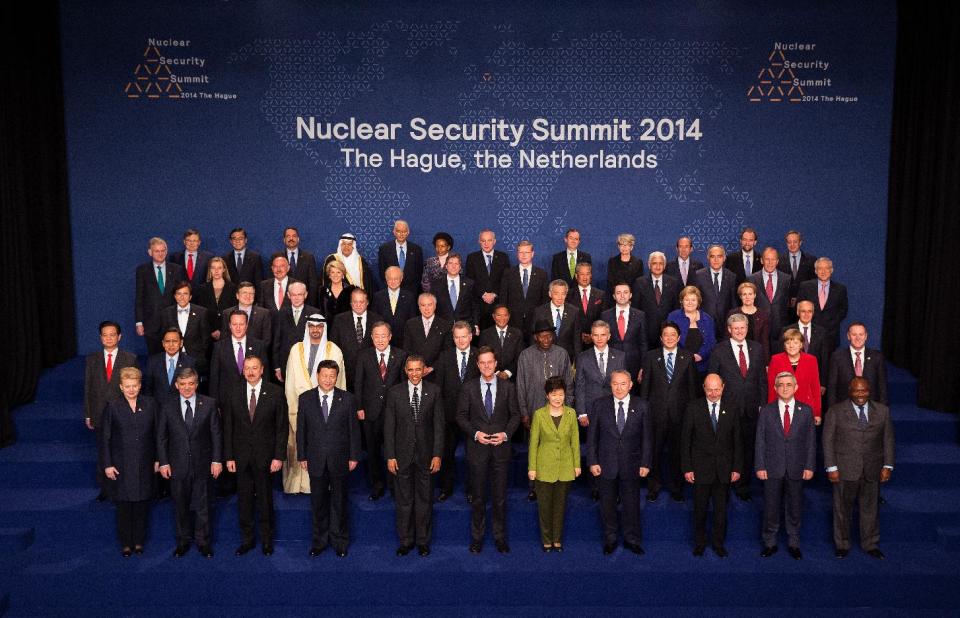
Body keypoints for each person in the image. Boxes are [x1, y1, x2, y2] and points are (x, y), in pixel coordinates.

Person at [456, 346, 521, 553]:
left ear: (495, 364)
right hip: (477, 450)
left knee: (500, 497)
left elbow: (515, 415)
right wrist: (476, 433)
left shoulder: (508, 387)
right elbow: (461, 416)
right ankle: (477, 538)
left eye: (489, 362)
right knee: (478, 497)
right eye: (482, 362)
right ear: (477, 365)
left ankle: (500, 537)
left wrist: (505, 434)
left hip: (501, 450)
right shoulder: (468, 388)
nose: (486, 366)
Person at [824, 377, 895, 560]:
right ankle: (842, 544)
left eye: (864, 391)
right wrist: (831, 466)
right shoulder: (836, 411)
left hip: (872, 469)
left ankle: (870, 544)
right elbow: (828, 441)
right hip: (844, 469)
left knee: (870, 509)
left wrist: (888, 465)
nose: (861, 394)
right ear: (850, 391)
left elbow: (888, 440)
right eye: (857, 391)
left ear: (869, 391)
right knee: (842, 509)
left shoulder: (882, 411)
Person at [222, 355, 287, 556]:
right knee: (244, 500)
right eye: (247, 368)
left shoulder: (275, 393)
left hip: (266, 457)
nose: (250, 372)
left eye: (254, 368)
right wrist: (229, 457)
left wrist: (278, 456)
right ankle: (247, 540)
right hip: (241, 458)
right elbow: (228, 428)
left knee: (265, 501)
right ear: (243, 370)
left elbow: (281, 428)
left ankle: (267, 541)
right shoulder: (233, 393)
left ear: (262, 369)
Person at [297, 360, 361, 558]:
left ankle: (340, 541)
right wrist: (302, 455)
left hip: (340, 458)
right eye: (324, 375)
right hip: (315, 458)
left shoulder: (348, 399)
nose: (327, 379)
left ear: (337, 377)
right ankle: (319, 542)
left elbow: (354, 431)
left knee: (339, 502)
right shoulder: (305, 398)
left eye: (332, 376)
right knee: (318, 503)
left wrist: (353, 456)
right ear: (317, 375)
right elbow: (302, 430)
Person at [157, 367, 222, 558]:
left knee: (203, 506)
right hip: (177, 465)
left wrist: (217, 460)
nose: (187, 388)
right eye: (183, 384)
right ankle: (183, 542)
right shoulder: (167, 406)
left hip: (203, 464)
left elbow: (216, 435)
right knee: (180, 505)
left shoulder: (209, 404)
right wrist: (163, 462)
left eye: (191, 384)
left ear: (196, 384)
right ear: (177, 385)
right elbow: (161, 437)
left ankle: (203, 542)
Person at [587, 369, 652, 555]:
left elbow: (647, 439)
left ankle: (632, 540)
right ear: (610, 384)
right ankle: (611, 539)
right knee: (607, 505)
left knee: (631, 505)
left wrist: (645, 463)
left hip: (632, 465)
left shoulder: (642, 406)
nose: (619, 387)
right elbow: (592, 438)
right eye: (615, 383)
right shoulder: (599, 405)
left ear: (631, 385)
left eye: (623, 383)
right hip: (605, 464)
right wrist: (592, 461)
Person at [384, 355, 444, 556]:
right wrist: (390, 455)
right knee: (404, 501)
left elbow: (438, 426)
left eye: (418, 369)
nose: (415, 373)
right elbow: (389, 427)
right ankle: (406, 541)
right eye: (411, 370)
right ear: (405, 371)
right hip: (401, 456)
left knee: (425, 500)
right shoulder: (394, 393)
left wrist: (437, 454)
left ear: (424, 369)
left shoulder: (434, 391)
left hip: (427, 456)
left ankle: (423, 541)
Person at [756, 371, 816, 560]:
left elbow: (810, 442)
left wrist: (809, 466)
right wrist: (760, 466)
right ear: (775, 388)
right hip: (772, 467)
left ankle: (794, 542)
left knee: (795, 507)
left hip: (797, 467)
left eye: (788, 384)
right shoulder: (766, 411)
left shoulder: (806, 411)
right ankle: (770, 542)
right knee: (771, 507)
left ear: (796, 387)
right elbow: (760, 441)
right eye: (780, 385)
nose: (784, 388)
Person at [282, 314, 345, 494]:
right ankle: (296, 485)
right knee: (298, 443)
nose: (315, 330)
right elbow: (290, 382)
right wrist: (293, 408)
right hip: (300, 408)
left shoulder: (334, 350)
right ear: (307, 327)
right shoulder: (296, 349)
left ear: (324, 328)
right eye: (312, 326)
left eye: (319, 326)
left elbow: (340, 383)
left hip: (327, 410)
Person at [100, 367, 159, 557]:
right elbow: (105, 438)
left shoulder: (150, 404)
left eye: (134, 385)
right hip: (121, 464)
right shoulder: (113, 406)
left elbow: (158, 435)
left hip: (145, 462)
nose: (131, 389)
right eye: (127, 386)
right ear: (121, 387)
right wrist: (108, 464)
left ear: (140, 386)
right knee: (124, 506)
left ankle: (139, 542)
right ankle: (126, 543)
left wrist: (159, 459)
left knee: (142, 504)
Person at [707, 314, 767, 501]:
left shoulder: (757, 348)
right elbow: (712, 378)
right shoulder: (718, 350)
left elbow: (762, 381)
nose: (739, 331)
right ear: (729, 330)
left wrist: (762, 405)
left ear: (747, 329)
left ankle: (743, 485)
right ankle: (724, 482)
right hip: (727, 408)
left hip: (751, 407)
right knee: (727, 446)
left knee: (748, 447)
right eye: (736, 328)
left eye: (743, 327)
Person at [682, 373, 742, 557]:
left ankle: (718, 543)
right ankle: (700, 543)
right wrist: (687, 468)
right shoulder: (693, 407)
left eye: (717, 389)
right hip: (700, 469)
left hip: (724, 469)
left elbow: (737, 441)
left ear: (723, 387)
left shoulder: (731, 408)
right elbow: (685, 440)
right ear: (704, 388)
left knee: (721, 510)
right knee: (699, 509)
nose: (714, 393)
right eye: (710, 389)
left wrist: (737, 467)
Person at [639, 321, 699, 502]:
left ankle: (676, 487)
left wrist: (691, 415)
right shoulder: (651, 357)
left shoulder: (687, 357)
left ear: (679, 337)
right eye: (666, 334)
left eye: (673, 334)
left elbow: (693, 389)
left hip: (680, 415)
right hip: (655, 414)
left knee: (677, 452)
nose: (670, 338)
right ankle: (654, 486)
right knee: (654, 451)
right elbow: (645, 389)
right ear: (661, 338)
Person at [354, 322, 408, 501]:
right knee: (373, 451)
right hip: (371, 412)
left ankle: (395, 486)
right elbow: (359, 383)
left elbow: (403, 386)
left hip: (394, 413)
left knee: (394, 451)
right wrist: (359, 407)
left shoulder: (401, 355)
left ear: (390, 336)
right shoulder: (363, 355)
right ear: (371, 337)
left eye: (383, 335)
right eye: (376, 336)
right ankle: (377, 486)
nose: (380, 340)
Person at [84, 320, 138, 500]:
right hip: (99, 413)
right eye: (105, 335)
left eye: (112, 335)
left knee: (122, 450)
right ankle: (105, 490)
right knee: (103, 450)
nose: (108, 338)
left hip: (121, 413)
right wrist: (88, 413)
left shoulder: (130, 358)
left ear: (119, 337)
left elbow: (134, 388)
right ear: (100, 338)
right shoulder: (92, 359)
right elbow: (88, 388)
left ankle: (123, 487)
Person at [528, 376, 581, 551]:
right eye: (553, 394)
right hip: (544, 467)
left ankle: (557, 539)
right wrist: (532, 468)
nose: (557, 398)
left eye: (560, 394)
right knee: (544, 506)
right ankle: (546, 539)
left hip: (565, 466)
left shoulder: (571, 414)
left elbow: (575, 441)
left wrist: (577, 465)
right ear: (547, 396)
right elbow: (534, 443)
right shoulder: (539, 414)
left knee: (560, 506)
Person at [433, 321, 479, 501]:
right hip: (449, 414)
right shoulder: (444, 357)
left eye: (464, 336)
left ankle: (471, 489)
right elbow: (438, 388)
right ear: (453, 338)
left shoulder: (479, 355)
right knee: (447, 454)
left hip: (473, 415)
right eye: (457, 337)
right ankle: (446, 488)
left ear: (470, 336)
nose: (461, 340)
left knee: (473, 456)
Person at [135, 237, 185, 354]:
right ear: (150, 252)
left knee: (175, 354)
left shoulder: (177, 269)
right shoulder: (142, 270)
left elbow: (182, 296)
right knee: (154, 356)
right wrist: (139, 322)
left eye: (163, 250)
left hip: (173, 320)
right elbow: (139, 297)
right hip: (151, 322)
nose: (160, 254)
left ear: (166, 251)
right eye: (157, 251)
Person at [209, 310, 267, 407]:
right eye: (235, 324)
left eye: (241, 324)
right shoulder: (219, 347)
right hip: (226, 403)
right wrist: (215, 406)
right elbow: (214, 379)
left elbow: (265, 376)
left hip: (252, 401)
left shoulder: (259, 346)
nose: (238, 328)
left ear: (247, 325)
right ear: (229, 325)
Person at [329, 287, 383, 391]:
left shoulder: (377, 319)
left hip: (371, 374)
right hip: (346, 374)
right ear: (350, 303)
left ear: (367, 302)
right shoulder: (339, 320)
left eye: (361, 302)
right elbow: (333, 347)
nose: (358, 305)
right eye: (355, 302)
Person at [575, 321, 625, 426]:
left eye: (603, 335)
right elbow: (579, 386)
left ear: (609, 336)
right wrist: (581, 412)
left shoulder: (620, 356)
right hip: (590, 409)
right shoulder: (582, 357)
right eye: (596, 335)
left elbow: (624, 385)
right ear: (591, 336)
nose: (599, 338)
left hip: (614, 408)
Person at [767, 329, 822, 423]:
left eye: (795, 342)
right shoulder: (776, 360)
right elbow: (772, 388)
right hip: (783, 408)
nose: (791, 346)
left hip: (806, 408)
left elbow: (815, 388)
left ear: (801, 345)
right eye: (788, 343)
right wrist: (771, 411)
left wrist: (817, 413)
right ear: (784, 345)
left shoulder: (811, 360)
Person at [827, 322, 888, 406]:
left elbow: (882, 387)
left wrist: (882, 411)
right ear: (848, 336)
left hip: (871, 409)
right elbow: (832, 388)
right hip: (844, 410)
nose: (858, 338)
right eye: (854, 334)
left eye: (861, 334)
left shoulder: (877, 357)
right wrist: (832, 412)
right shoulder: (837, 357)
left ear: (866, 336)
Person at [499, 240, 549, 341]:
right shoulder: (508, 273)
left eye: (527, 252)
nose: (524, 255)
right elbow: (503, 298)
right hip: (513, 321)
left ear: (532, 254)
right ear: (517, 254)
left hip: (535, 321)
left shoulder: (541, 274)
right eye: (521, 252)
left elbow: (545, 301)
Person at [271, 281, 320, 382]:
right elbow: (276, 341)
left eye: (300, 294)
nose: (296, 298)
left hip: (309, 364)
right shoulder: (281, 314)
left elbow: (320, 341)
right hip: (287, 364)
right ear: (288, 295)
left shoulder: (315, 313)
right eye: (293, 295)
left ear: (305, 295)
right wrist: (277, 366)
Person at [632, 251, 682, 350]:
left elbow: (677, 308)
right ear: (649, 265)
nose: (658, 266)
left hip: (668, 332)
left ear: (664, 266)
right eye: (654, 263)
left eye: (661, 263)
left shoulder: (674, 282)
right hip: (646, 331)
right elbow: (635, 308)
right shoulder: (640, 282)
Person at [160, 281, 210, 375]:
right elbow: (163, 337)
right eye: (179, 294)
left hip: (195, 360)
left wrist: (199, 356)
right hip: (173, 358)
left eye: (185, 293)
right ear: (174, 296)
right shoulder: (166, 313)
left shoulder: (201, 312)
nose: (182, 297)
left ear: (190, 296)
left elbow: (206, 339)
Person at [465, 229, 511, 331]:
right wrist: (483, 294)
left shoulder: (503, 257)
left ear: (494, 241)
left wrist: (494, 294)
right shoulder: (472, 258)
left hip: (498, 305)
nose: (486, 244)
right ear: (479, 242)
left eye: (489, 240)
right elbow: (469, 280)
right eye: (483, 240)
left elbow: (506, 280)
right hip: (478, 306)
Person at [797, 257, 849, 349]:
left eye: (826, 268)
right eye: (820, 268)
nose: (823, 271)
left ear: (831, 270)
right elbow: (798, 307)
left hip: (831, 335)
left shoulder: (840, 289)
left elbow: (843, 310)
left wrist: (831, 322)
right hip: (808, 333)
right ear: (816, 271)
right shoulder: (805, 286)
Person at [602, 283, 647, 388]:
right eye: (618, 293)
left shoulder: (640, 315)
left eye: (625, 292)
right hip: (612, 363)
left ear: (630, 295)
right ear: (614, 296)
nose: (622, 295)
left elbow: (643, 343)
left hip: (634, 364)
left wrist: (643, 366)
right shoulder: (605, 315)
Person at [749, 247, 791, 355]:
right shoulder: (752, 279)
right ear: (762, 260)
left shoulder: (787, 279)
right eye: (767, 259)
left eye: (773, 259)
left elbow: (789, 304)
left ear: (777, 261)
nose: (770, 262)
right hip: (758, 328)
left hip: (780, 328)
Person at [667, 285, 717, 374]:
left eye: (693, 300)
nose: (690, 303)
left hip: (703, 365)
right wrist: (685, 357)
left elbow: (711, 341)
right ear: (682, 301)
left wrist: (701, 355)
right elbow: (668, 339)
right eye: (687, 300)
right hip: (679, 365)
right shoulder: (673, 317)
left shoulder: (707, 318)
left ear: (698, 301)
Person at [142, 327, 196, 409]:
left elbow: (193, 390)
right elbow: (148, 389)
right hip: (158, 410)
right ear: (163, 343)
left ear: (181, 343)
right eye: (167, 341)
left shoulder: (190, 362)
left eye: (174, 341)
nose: (171, 345)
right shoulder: (153, 361)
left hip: (181, 410)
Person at [781, 299, 830, 388]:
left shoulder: (822, 332)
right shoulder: (786, 330)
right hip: (791, 380)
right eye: (803, 311)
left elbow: (825, 359)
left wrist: (822, 383)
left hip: (814, 379)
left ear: (813, 313)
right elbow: (782, 357)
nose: (806, 314)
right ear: (797, 312)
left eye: (809, 311)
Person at [401, 293, 452, 378]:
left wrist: (432, 367)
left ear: (435, 306)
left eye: (430, 305)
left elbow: (446, 351)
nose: (426, 308)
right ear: (419, 307)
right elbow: (407, 348)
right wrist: (419, 367)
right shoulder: (410, 324)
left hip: (436, 373)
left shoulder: (445, 325)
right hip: (415, 373)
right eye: (423, 305)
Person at [694, 244, 738, 340]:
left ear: (724, 258)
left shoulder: (731, 276)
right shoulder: (698, 275)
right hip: (704, 322)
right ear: (708, 258)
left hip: (725, 324)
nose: (716, 260)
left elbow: (733, 302)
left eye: (719, 256)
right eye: (712, 256)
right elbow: (695, 301)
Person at [533, 279, 582, 362]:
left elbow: (577, 339)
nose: (560, 297)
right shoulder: (539, 312)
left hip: (567, 358)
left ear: (566, 294)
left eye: (563, 294)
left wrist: (578, 361)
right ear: (550, 294)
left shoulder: (574, 311)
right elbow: (534, 338)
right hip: (544, 357)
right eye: (556, 293)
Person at [193, 256, 236, 344]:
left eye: (219, 268)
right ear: (210, 270)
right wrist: (211, 330)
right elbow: (200, 313)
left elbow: (234, 311)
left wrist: (222, 330)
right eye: (213, 268)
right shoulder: (202, 289)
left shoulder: (233, 288)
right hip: (207, 334)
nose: (216, 271)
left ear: (224, 269)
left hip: (228, 333)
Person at [371, 266, 418, 344]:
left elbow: (412, 320)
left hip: (404, 340)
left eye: (396, 279)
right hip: (383, 340)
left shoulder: (409, 296)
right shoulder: (378, 296)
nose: (393, 281)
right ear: (386, 279)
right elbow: (374, 319)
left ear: (401, 279)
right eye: (390, 279)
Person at [432, 252, 478, 330]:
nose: (453, 266)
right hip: (442, 328)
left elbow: (475, 306)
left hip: (465, 327)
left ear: (460, 267)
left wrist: (476, 324)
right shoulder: (436, 285)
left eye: (456, 264)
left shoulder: (469, 284)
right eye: (450, 263)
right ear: (446, 266)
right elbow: (433, 307)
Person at [377, 219, 424, 294]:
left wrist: (413, 290)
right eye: (398, 231)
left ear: (408, 233)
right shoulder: (384, 249)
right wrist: (392, 286)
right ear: (394, 232)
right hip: (391, 291)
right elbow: (382, 273)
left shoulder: (416, 250)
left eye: (404, 231)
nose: (401, 234)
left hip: (412, 292)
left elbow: (419, 273)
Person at [477, 305, 523, 381]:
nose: (502, 318)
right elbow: (482, 356)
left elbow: (520, 356)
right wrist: (496, 372)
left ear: (509, 316)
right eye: (499, 315)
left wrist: (508, 373)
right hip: (490, 377)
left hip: (512, 379)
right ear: (493, 316)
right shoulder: (485, 334)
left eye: (505, 315)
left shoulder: (517, 334)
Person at [727, 281, 770, 362]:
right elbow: (727, 337)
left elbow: (765, 341)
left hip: (757, 355)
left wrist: (766, 362)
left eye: (750, 294)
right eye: (744, 294)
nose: (747, 297)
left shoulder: (763, 315)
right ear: (740, 296)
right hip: (736, 354)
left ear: (755, 295)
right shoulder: (732, 313)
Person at [568, 263, 608, 347]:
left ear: (591, 275)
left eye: (587, 274)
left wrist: (593, 335)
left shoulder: (601, 294)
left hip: (596, 341)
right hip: (574, 342)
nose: (585, 277)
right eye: (582, 274)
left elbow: (603, 317)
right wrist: (579, 336)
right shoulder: (568, 295)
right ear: (576, 276)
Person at [778, 230, 817, 315]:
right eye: (789, 242)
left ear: (800, 242)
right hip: (784, 307)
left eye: (795, 242)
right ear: (786, 243)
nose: (792, 245)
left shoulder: (811, 260)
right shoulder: (779, 260)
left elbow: (813, 285)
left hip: (804, 307)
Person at [281, 226, 319, 303]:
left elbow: (313, 284)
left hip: (304, 302)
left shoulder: (308, 257)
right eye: (288, 236)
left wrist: (310, 304)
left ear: (298, 239)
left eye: (294, 236)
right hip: (282, 303)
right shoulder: (277, 257)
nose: (291, 238)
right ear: (284, 240)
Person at [223, 227, 263, 293]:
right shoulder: (225, 259)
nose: (237, 241)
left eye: (240, 238)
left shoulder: (255, 258)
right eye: (234, 238)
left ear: (246, 240)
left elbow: (258, 281)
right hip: (231, 298)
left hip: (249, 297)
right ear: (230, 241)